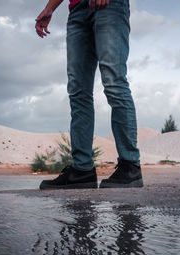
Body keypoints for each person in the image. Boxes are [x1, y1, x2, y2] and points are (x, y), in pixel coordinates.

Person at [36, 0, 143, 189]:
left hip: (110, 6)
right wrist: (50, 8)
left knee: (114, 83)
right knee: (78, 91)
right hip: (76, 11)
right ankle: (82, 171)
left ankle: (130, 167)